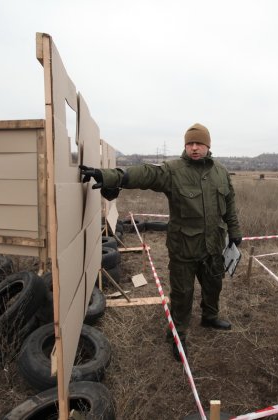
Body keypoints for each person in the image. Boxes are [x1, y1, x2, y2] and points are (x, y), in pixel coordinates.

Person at [80, 123, 242, 361]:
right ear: (185, 145)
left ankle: (210, 316)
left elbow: (230, 205)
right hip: (184, 248)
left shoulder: (220, 172)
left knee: (213, 285)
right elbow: (147, 174)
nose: (194, 148)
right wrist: (112, 176)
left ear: (208, 145)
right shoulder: (173, 170)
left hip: (213, 245)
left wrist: (235, 231)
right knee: (182, 293)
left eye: (199, 143)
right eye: (190, 143)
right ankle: (178, 335)